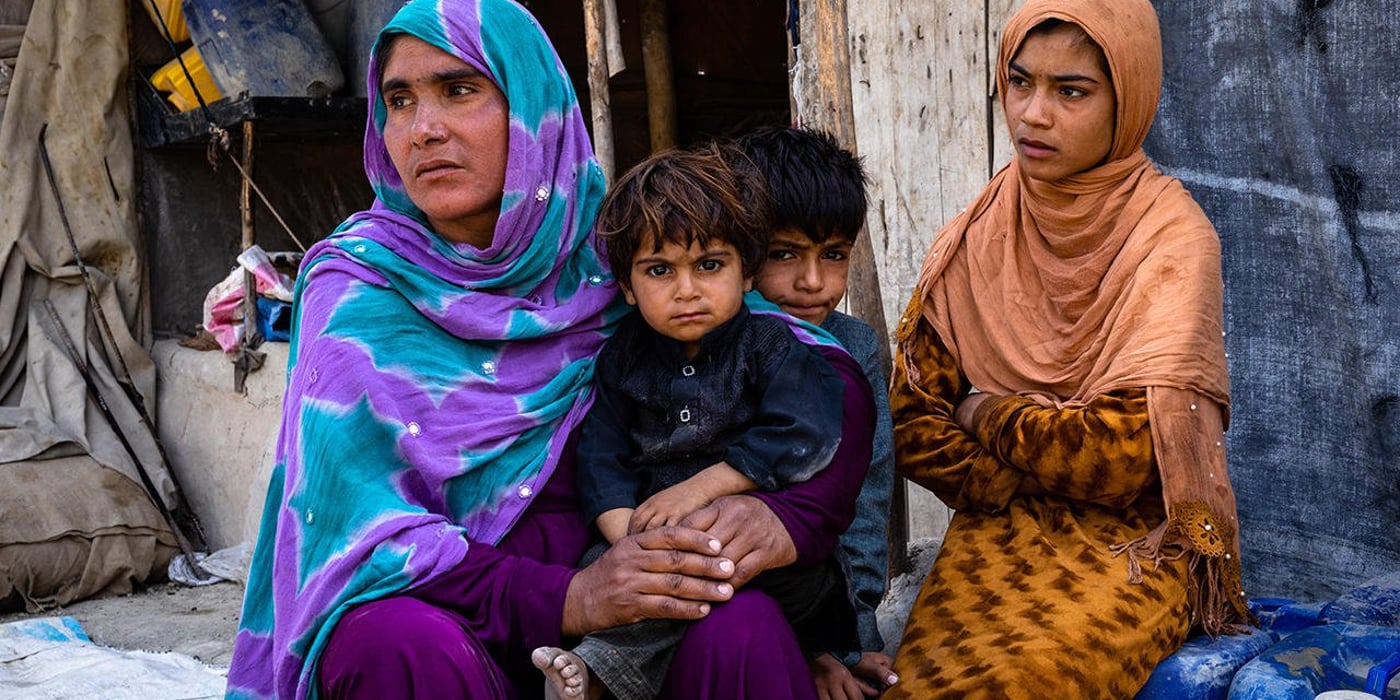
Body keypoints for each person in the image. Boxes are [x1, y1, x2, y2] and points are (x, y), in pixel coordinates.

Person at [223, 1, 876, 699]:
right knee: (392, 643)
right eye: (399, 100)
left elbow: (811, 364)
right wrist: (572, 598)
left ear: (535, 105)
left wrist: (778, 520)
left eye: (459, 90)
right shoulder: (357, 289)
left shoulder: (622, 250)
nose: (424, 129)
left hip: (650, 628)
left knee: (738, 626)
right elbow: (350, 534)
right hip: (460, 625)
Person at [883, 0, 1250, 697]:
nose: (1031, 114)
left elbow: (1119, 459)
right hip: (996, 528)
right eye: (1020, 82)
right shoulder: (982, 229)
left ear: (1129, 99)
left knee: (1030, 682)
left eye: (1071, 92)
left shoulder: (1172, 239)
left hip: (1134, 543)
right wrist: (1009, 478)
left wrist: (983, 413)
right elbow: (911, 418)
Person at [532, 143, 860, 700]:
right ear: (628, 287)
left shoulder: (771, 346)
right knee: (622, 577)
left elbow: (805, 433)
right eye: (660, 270)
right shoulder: (622, 359)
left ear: (746, 272)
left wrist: (703, 489)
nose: (687, 291)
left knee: (701, 573)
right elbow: (601, 454)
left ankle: (599, 677)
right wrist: (626, 537)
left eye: (709, 266)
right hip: (656, 538)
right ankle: (594, 674)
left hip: (767, 566)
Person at [737, 126, 900, 699]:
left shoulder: (852, 347)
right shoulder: (713, 348)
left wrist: (851, 642)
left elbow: (864, 499)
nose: (813, 283)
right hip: (731, 607)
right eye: (784, 254)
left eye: (834, 256)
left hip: (827, 609)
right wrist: (808, 649)